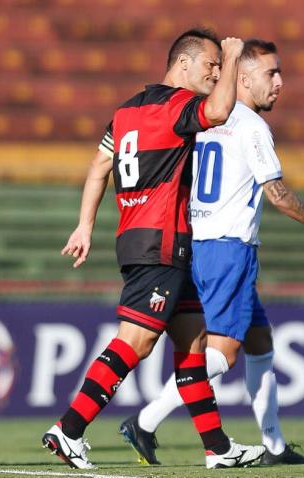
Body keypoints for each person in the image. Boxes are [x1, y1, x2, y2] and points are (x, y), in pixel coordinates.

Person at [41, 28, 266, 470]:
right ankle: (68, 429)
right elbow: (220, 110)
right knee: (137, 342)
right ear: (183, 64)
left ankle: (217, 448)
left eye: (221, 65)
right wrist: (237, 55)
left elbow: (98, 167)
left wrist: (85, 225)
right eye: (211, 64)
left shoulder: (126, 112)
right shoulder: (177, 106)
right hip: (160, 240)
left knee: (192, 342)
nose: (217, 72)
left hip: (142, 238)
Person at [118, 39, 304, 466]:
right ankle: (146, 421)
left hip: (199, 242)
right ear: (241, 78)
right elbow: (276, 193)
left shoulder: (203, 119)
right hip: (228, 250)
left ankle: (275, 446)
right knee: (222, 354)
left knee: (260, 340)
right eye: (270, 74)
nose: (279, 83)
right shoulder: (251, 126)